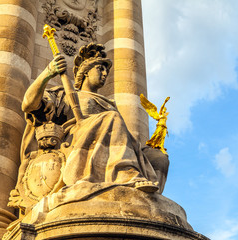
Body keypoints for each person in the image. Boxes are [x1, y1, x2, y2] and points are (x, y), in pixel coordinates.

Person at [15, 43, 159, 210]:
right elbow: (28, 104)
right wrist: (48, 73)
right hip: (75, 143)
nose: (105, 74)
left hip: (103, 145)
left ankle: (148, 195)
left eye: (107, 70)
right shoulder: (66, 95)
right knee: (111, 118)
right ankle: (126, 173)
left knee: (158, 158)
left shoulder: (110, 105)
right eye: (100, 68)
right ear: (85, 72)